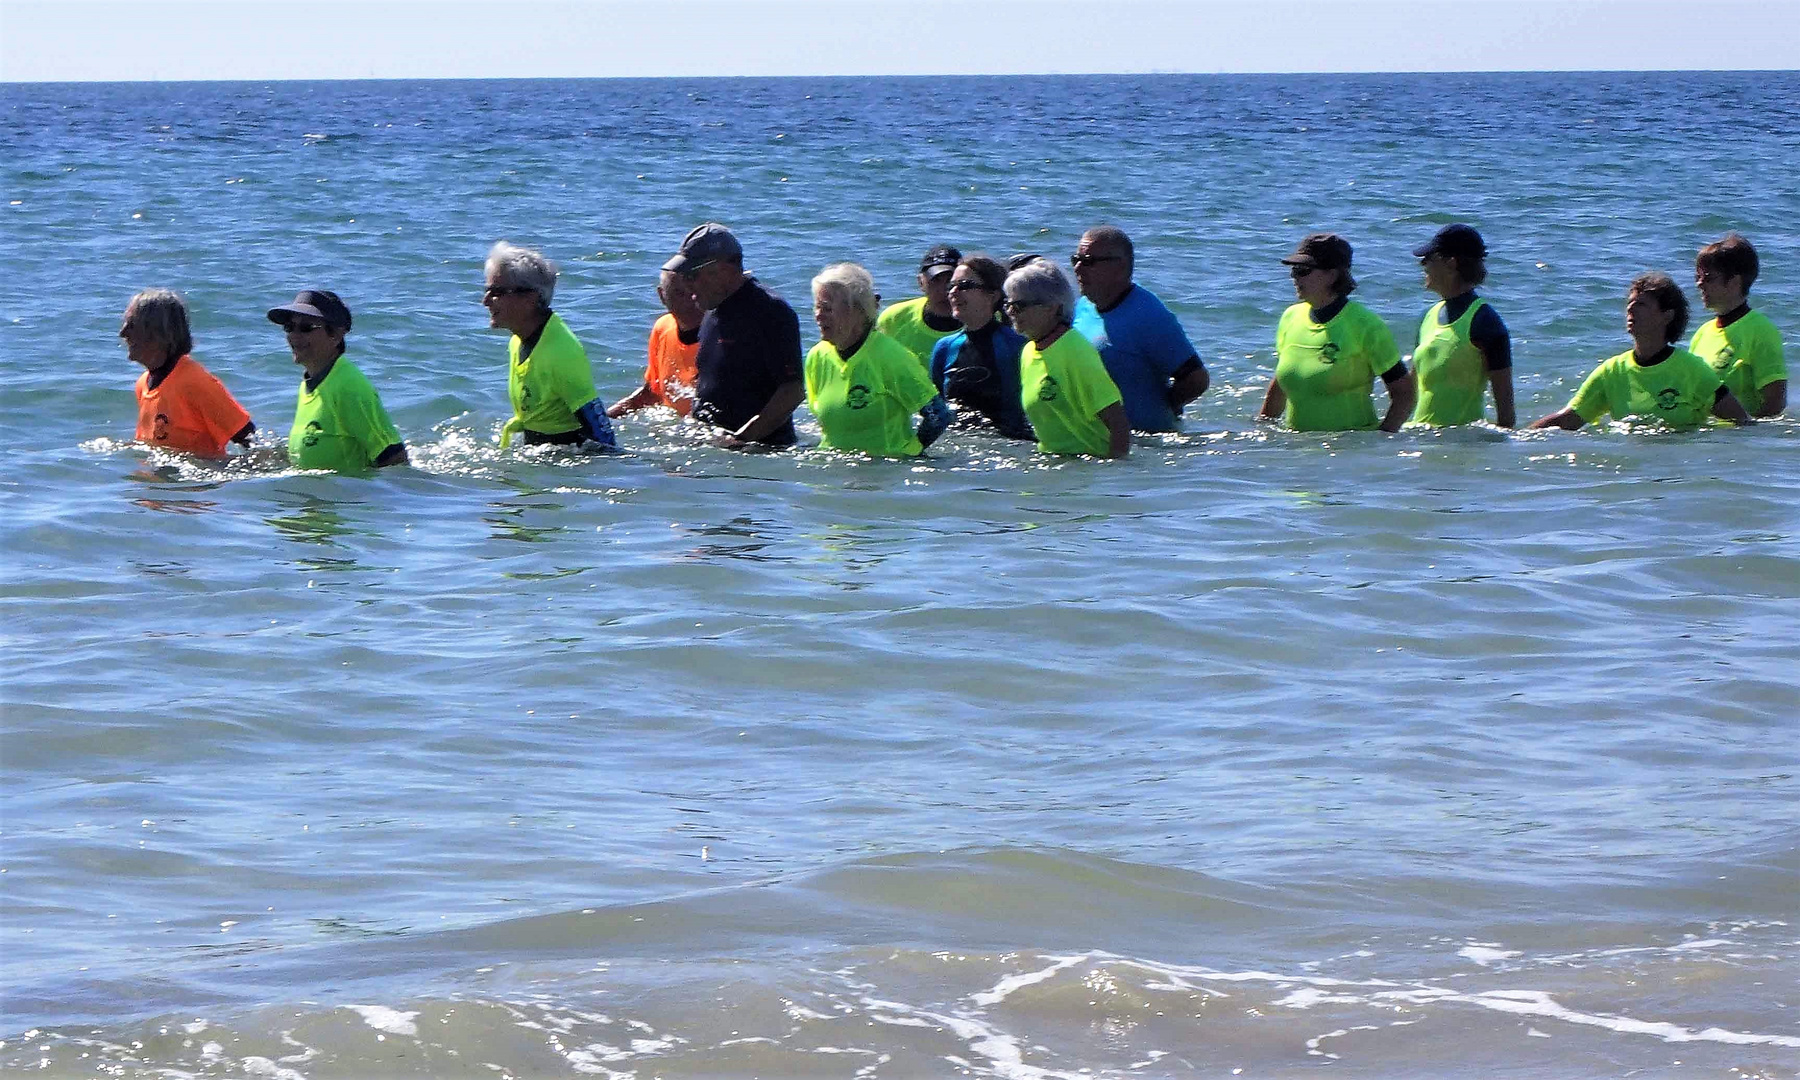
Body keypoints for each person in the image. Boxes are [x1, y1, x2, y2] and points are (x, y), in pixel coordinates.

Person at [1531, 273, 1751, 431]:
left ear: (1667, 316)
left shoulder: (1692, 370)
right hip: (1631, 473)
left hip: (1681, 471)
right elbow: (1569, 419)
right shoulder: (1611, 372)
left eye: (1641, 304)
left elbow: (1742, 423)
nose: (1630, 309)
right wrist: (1520, 438)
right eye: (1629, 303)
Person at [1258, 233, 1416, 432]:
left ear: (1332, 275)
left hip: (1349, 453)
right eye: (1293, 270)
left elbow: (1404, 394)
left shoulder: (1365, 324)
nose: (1294, 277)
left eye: (1303, 270)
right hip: (1296, 455)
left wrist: (1380, 444)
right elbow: (1282, 383)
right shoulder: (1290, 317)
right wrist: (1262, 430)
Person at [669, 223, 805, 450]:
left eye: (693, 275)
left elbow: (792, 391)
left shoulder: (770, 311)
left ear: (723, 269)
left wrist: (741, 441)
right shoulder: (711, 310)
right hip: (711, 448)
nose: (687, 284)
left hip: (757, 457)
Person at [1070, 226, 1210, 432]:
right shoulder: (1083, 306)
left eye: (1089, 261)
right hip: (1097, 444)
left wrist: (1158, 410)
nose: (1078, 268)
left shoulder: (1149, 315)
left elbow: (1196, 379)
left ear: (1120, 266)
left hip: (1141, 449)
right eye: (1076, 259)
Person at [805, 263, 951, 457]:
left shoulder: (891, 357)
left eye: (827, 308)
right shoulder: (817, 357)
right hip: (833, 473)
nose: (818, 316)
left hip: (884, 473)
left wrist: (909, 454)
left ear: (857, 311)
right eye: (816, 307)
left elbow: (938, 416)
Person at [483, 242, 616, 450]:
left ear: (531, 298)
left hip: (567, 464)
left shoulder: (561, 352)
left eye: (496, 292)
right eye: (487, 290)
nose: (486, 301)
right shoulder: (518, 340)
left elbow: (602, 434)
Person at [268, 290, 407, 471]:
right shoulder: (310, 385)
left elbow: (396, 462)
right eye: (289, 327)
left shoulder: (349, 387)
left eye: (306, 327)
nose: (294, 335)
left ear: (335, 335)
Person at [1003, 259, 1129, 459]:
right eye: (1007, 304)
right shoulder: (1028, 351)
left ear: (1052, 307)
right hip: (1053, 464)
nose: (1010, 312)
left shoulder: (1075, 352)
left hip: (1088, 466)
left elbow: (1118, 424)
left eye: (1019, 306)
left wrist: (1114, 475)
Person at [119, 288, 254, 459]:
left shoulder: (194, 381)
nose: (122, 333)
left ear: (159, 332)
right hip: (159, 484)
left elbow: (249, 438)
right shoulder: (142, 385)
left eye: (131, 325)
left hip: (197, 483)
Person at [1409, 224, 1516, 428]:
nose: (1423, 265)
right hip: (1420, 445)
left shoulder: (1485, 322)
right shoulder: (1427, 317)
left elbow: (1506, 415)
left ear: (1451, 263)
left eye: (1429, 259)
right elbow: (1409, 395)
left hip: (1462, 447)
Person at [928, 254, 1034, 440]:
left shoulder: (1017, 346)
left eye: (964, 286)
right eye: (951, 286)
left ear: (992, 295)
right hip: (959, 446)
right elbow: (937, 409)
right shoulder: (945, 348)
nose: (953, 292)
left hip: (1010, 446)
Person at [1690, 232, 1786, 418]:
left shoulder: (1760, 330)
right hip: (1705, 442)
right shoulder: (1702, 334)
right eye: (1698, 278)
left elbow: (1775, 405)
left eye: (1708, 278)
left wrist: (1744, 436)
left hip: (1739, 441)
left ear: (1735, 282)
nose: (1700, 285)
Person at [608, 269, 703, 419]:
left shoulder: (722, 336)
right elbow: (652, 392)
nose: (690, 300)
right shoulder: (663, 327)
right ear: (662, 296)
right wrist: (604, 420)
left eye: (695, 291)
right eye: (679, 293)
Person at [876, 244, 965, 367]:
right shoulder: (894, 319)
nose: (944, 290)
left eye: (951, 281)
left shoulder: (985, 320)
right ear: (921, 282)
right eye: (935, 281)